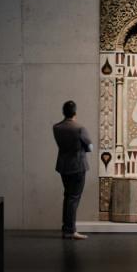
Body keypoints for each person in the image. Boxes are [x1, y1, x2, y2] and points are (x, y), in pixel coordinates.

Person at [52, 100, 92, 240]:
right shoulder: (80, 128)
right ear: (75, 112)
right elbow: (90, 147)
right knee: (74, 198)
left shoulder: (56, 127)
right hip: (78, 166)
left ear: (64, 112)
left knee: (68, 196)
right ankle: (70, 231)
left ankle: (66, 228)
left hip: (63, 166)